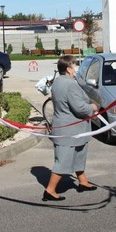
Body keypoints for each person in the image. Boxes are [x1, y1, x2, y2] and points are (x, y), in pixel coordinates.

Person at [43, 55, 98, 201]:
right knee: (63, 161)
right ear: (68, 69)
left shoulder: (59, 81)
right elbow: (79, 108)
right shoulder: (70, 84)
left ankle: (83, 182)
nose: (77, 68)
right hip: (69, 129)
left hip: (72, 128)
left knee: (79, 154)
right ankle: (50, 190)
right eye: (75, 66)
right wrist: (92, 107)